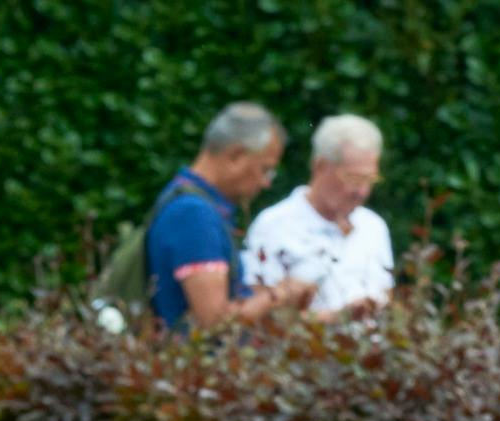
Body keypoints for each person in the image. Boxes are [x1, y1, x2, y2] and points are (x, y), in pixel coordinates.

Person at [146, 104, 316, 331]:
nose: (266, 183)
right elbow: (214, 323)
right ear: (236, 155)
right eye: (265, 169)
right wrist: (280, 294)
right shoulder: (194, 214)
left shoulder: (189, 200)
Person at [246, 115, 395, 317]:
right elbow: (259, 318)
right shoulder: (273, 225)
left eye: (369, 179)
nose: (362, 191)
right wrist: (338, 320)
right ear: (320, 166)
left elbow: (387, 302)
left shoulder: (373, 226)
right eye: (353, 178)